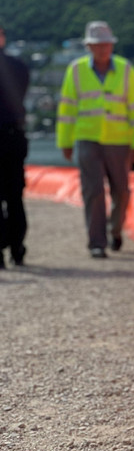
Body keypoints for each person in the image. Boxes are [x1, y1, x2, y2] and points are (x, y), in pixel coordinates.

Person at [56, 20, 134, 258]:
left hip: (119, 141)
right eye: (98, 45)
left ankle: (115, 230)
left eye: (106, 44)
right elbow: (67, 110)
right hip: (87, 139)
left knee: (122, 191)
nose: (103, 49)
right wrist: (65, 142)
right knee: (93, 190)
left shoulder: (126, 70)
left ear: (112, 45)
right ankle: (96, 242)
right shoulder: (76, 70)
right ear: (88, 46)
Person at [0, 22, 30, 268]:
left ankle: (1, 252)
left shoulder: (17, 67)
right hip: (14, 137)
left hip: (8, 137)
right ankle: (16, 248)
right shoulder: (20, 67)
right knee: (15, 196)